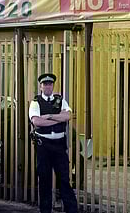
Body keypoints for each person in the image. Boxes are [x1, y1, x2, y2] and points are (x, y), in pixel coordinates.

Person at [29, 73, 78, 213]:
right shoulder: (35, 102)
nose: (47, 86)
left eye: (50, 84)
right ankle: (45, 211)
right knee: (44, 180)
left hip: (59, 145)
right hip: (43, 145)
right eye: (45, 84)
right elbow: (37, 121)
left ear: (53, 86)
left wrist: (49, 116)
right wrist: (58, 118)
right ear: (40, 86)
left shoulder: (60, 100)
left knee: (64, 180)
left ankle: (71, 210)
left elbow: (68, 116)